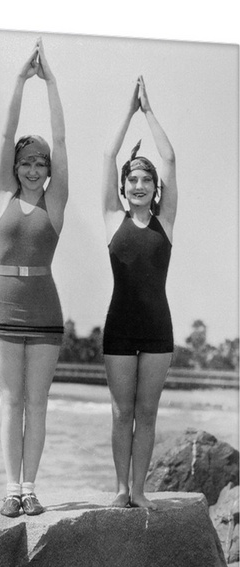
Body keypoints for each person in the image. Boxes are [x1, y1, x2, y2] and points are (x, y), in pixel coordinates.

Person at [0, 38, 68, 517]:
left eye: (40, 164)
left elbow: (61, 141)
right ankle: (10, 489)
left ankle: (31, 487)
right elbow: (3, 137)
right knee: (9, 401)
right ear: (15, 169)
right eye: (26, 163)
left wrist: (52, 83)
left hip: (44, 309)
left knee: (36, 402)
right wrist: (19, 81)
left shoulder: (54, 203)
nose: (34, 169)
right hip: (4, 306)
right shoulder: (2, 195)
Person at [101, 77, 177, 510]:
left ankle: (141, 490)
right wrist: (128, 112)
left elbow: (169, 157)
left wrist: (149, 111)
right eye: (133, 179)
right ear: (124, 185)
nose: (139, 184)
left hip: (157, 330)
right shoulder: (113, 219)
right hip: (119, 329)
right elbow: (108, 156)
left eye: (146, 179)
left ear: (155, 188)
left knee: (146, 414)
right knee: (119, 412)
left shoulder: (166, 222)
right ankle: (120, 489)